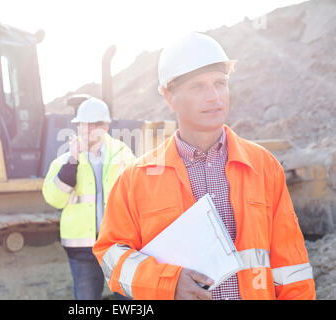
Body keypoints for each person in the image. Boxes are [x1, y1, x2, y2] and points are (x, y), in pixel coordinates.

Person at [92, 32, 315, 300]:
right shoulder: (136, 179)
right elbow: (111, 257)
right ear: (169, 96)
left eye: (220, 83)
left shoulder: (263, 166)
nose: (214, 97)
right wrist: (167, 283)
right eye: (198, 86)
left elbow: (292, 268)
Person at [42, 97, 135, 300]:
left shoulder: (123, 155)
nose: (86, 130)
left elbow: (138, 196)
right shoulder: (64, 160)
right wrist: (72, 162)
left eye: (94, 125)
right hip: (81, 248)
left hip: (118, 245)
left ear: (105, 127)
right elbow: (54, 199)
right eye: (82, 124)